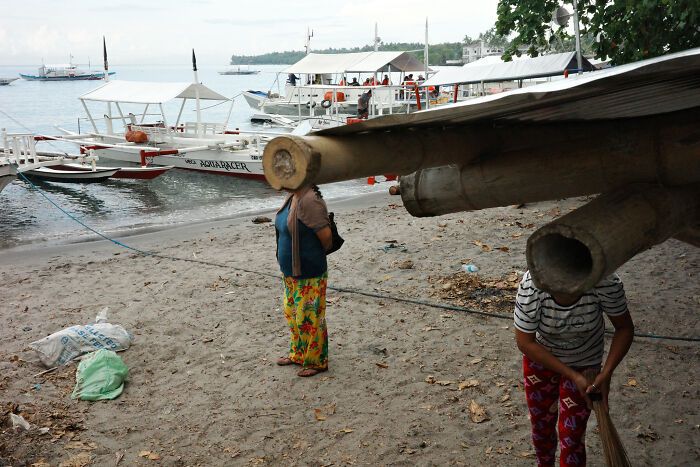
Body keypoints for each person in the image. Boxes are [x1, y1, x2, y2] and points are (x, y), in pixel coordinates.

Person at [514, 271, 634, 466]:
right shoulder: (531, 285)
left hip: (585, 365)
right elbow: (525, 342)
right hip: (541, 362)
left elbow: (625, 328)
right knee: (541, 427)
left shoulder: (605, 281)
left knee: (572, 437)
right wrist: (570, 374)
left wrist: (606, 373)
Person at [275, 185, 333, 377]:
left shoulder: (310, 200)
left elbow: (326, 238)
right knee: (292, 314)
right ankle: (298, 354)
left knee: (309, 318)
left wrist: (310, 257)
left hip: (309, 272)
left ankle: (317, 361)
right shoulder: (293, 196)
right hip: (290, 272)